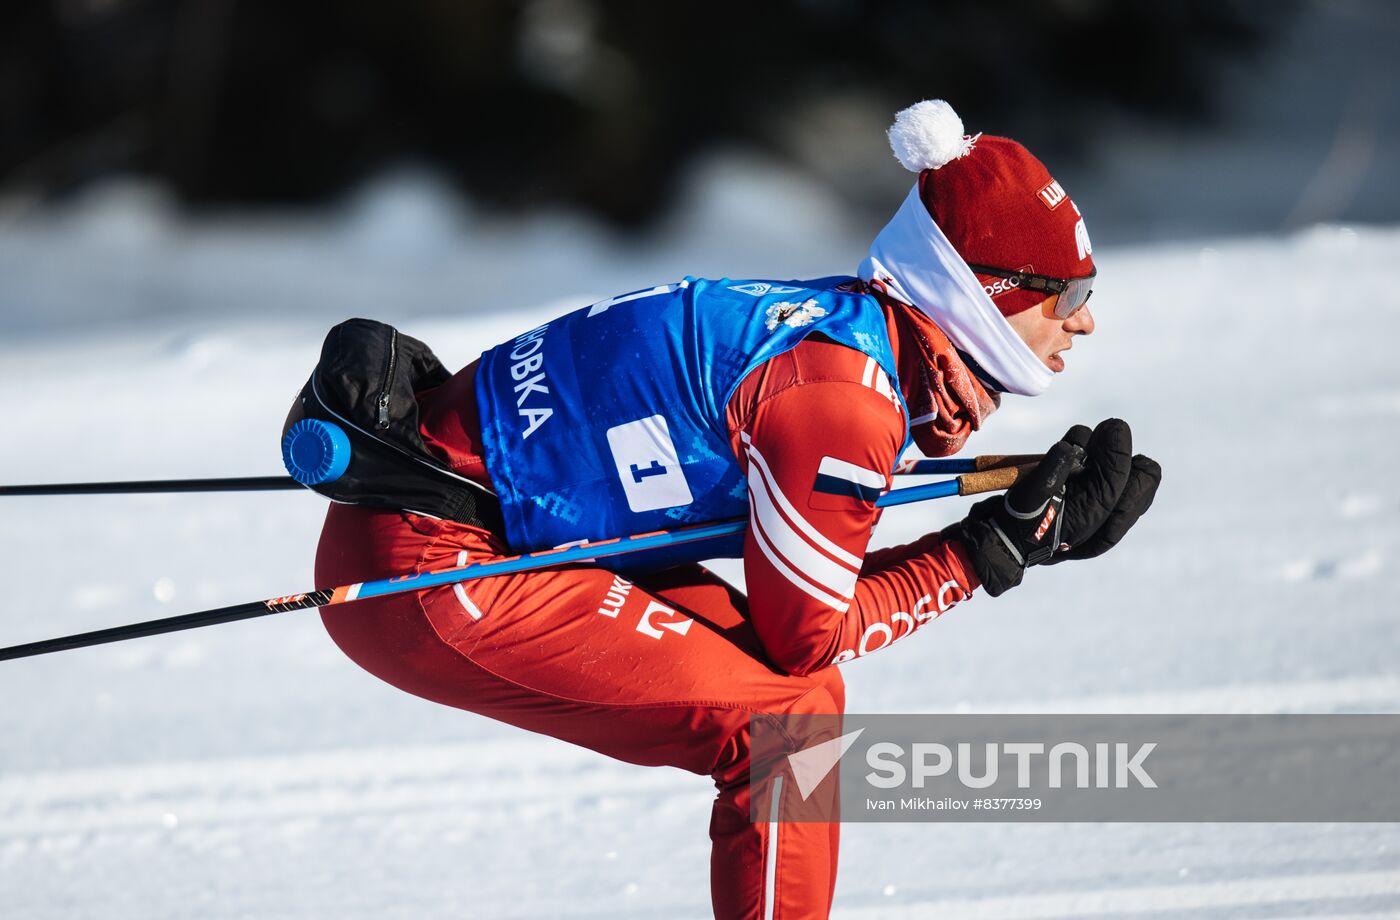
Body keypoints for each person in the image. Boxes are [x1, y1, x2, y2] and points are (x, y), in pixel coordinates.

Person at [313, 99, 1161, 919]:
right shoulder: (841, 398)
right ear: (991, 293)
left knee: (804, 706)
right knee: (784, 729)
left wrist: (999, 534)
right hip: (427, 571)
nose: (1084, 323)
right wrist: (987, 553)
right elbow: (809, 636)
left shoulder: (839, 324)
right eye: (1067, 295)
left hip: (462, 524)